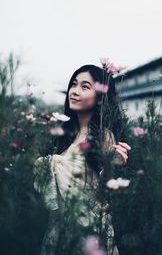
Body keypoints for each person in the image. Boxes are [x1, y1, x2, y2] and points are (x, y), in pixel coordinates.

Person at [33, 64, 131, 255]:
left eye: (85, 87)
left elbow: (104, 185)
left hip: (88, 230)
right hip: (59, 227)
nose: (74, 92)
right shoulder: (66, 134)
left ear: (101, 96)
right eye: (74, 84)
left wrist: (112, 165)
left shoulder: (103, 135)